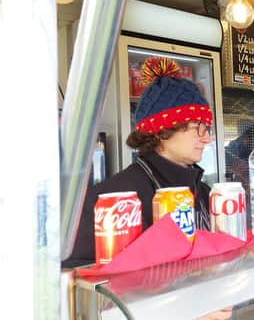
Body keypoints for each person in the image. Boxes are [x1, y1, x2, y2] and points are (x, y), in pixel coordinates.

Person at [63, 57, 214, 267]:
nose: (208, 138)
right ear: (164, 130)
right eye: (199, 127)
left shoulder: (205, 193)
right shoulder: (109, 202)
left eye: (207, 129)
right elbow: (78, 277)